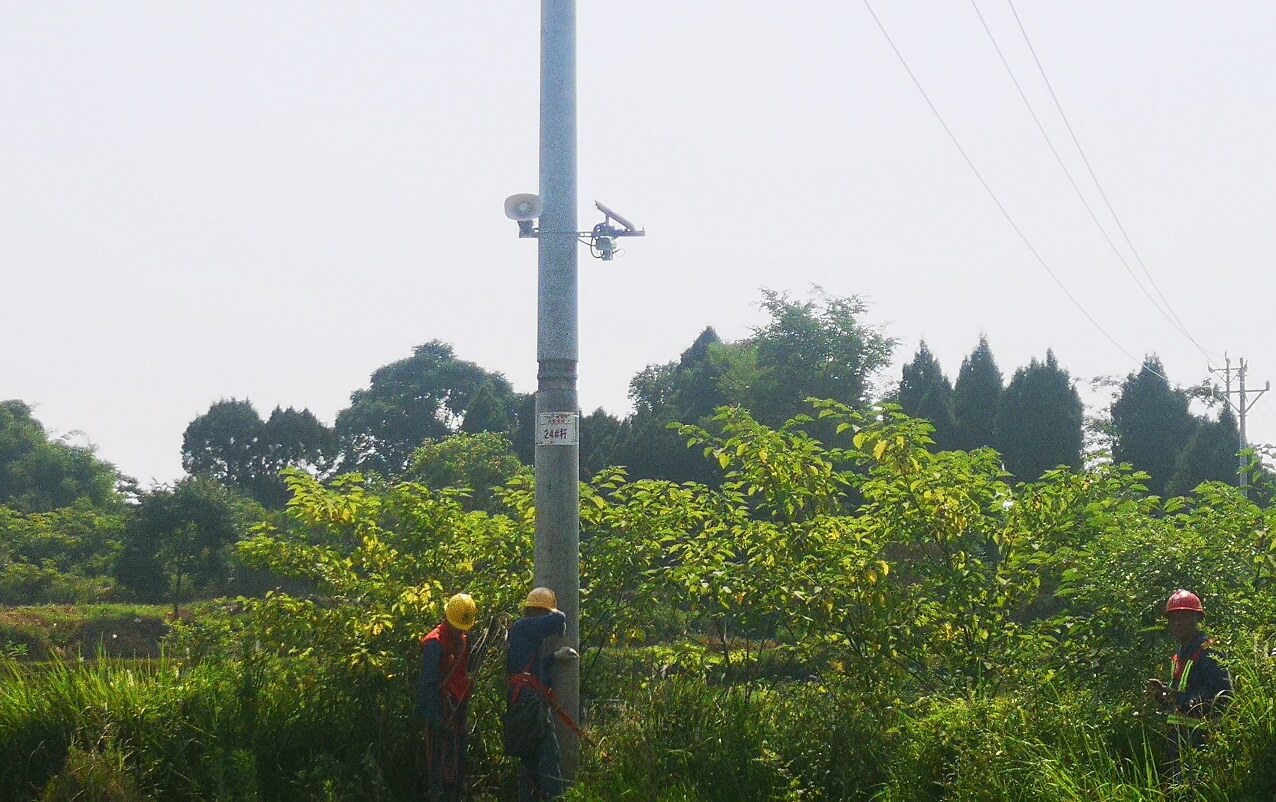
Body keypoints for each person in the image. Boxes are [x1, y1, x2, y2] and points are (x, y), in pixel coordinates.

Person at [1145, 589, 1231, 784]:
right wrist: (1163, 695)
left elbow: (1221, 695)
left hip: (1202, 740)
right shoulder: (1180, 654)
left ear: (1196, 618)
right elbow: (1182, 694)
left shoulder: (1209, 651)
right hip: (1179, 740)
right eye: (1173, 618)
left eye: (1183, 617)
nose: (1177, 623)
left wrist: (1178, 698)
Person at [506, 586, 578, 801]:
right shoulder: (525, 626)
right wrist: (558, 618)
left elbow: (530, 670)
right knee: (549, 756)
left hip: (521, 701)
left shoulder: (523, 634)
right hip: (529, 702)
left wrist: (555, 657)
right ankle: (556, 798)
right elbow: (558, 619)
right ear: (540, 612)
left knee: (529, 762)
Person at [418, 592, 478, 802]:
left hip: (459, 711)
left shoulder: (463, 639)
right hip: (441, 712)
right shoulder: (434, 643)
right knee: (439, 769)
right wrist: (437, 720)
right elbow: (427, 686)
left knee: (458, 768)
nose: (461, 631)